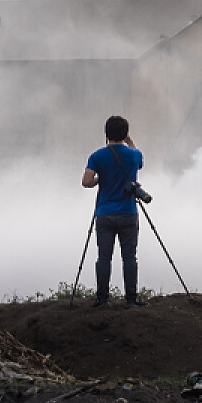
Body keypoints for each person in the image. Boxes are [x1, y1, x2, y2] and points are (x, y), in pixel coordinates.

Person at [81, 115, 143, 307]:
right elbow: (139, 159)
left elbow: (86, 182)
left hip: (105, 213)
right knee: (130, 257)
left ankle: (102, 300)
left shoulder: (97, 156)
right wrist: (129, 140)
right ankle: (131, 300)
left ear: (106, 134)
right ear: (125, 134)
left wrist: (100, 179)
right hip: (128, 212)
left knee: (104, 258)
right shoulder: (134, 156)